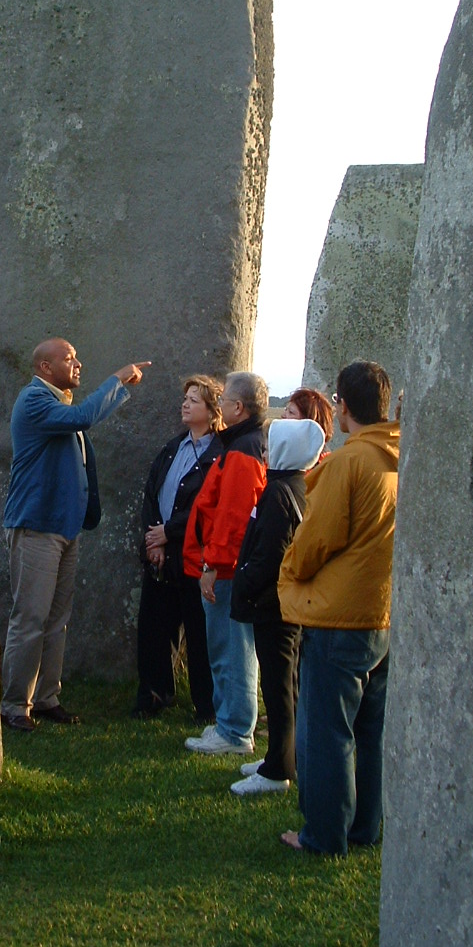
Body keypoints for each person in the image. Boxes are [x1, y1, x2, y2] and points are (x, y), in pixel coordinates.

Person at [278, 360, 400, 855]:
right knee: (369, 732)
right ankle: (363, 828)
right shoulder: (398, 459)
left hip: (337, 614)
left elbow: (316, 539)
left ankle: (324, 835)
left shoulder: (349, 463)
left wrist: (290, 572)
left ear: (343, 406)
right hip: (381, 611)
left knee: (325, 734)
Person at [0, 339, 149, 732]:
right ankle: (14, 705)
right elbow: (84, 417)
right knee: (30, 618)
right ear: (45, 367)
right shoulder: (35, 400)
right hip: (36, 527)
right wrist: (117, 378)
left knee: (56, 619)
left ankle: (46, 698)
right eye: (69, 359)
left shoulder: (58, 403)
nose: (78, 364)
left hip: (63, 528)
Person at [229, 417, 325, 795]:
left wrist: (246, 580)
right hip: (285, 602)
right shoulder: (298, 486)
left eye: (271, 447)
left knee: (279, 686)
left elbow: (270, 553)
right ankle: (282, 756)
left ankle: (278, 770)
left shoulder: (278, 493)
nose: (265, 453)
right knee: (286, 685)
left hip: (273, 604)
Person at [181, 371, 269, 755]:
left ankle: (234, 731)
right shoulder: (242, 445)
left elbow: (233, 516)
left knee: (231, 650)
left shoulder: (242, 451)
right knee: (227, 649)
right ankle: (228, 723)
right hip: (226, 566)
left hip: (228, 570)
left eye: (226, 399)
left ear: (238, 407)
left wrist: (213, 565)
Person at [133, 375, 224, 721]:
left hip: (196, 556)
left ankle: (207, 707)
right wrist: (153, 538)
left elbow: (208, 505)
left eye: (194, 400)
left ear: (213, 411)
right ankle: (153, 696)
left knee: (200, 635)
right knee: (154, 629)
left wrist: (167, 533)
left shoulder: (220, 454)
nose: (185, 405)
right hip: (161, 552)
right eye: (185, 398)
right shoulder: (173, 447)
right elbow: (151, 493)